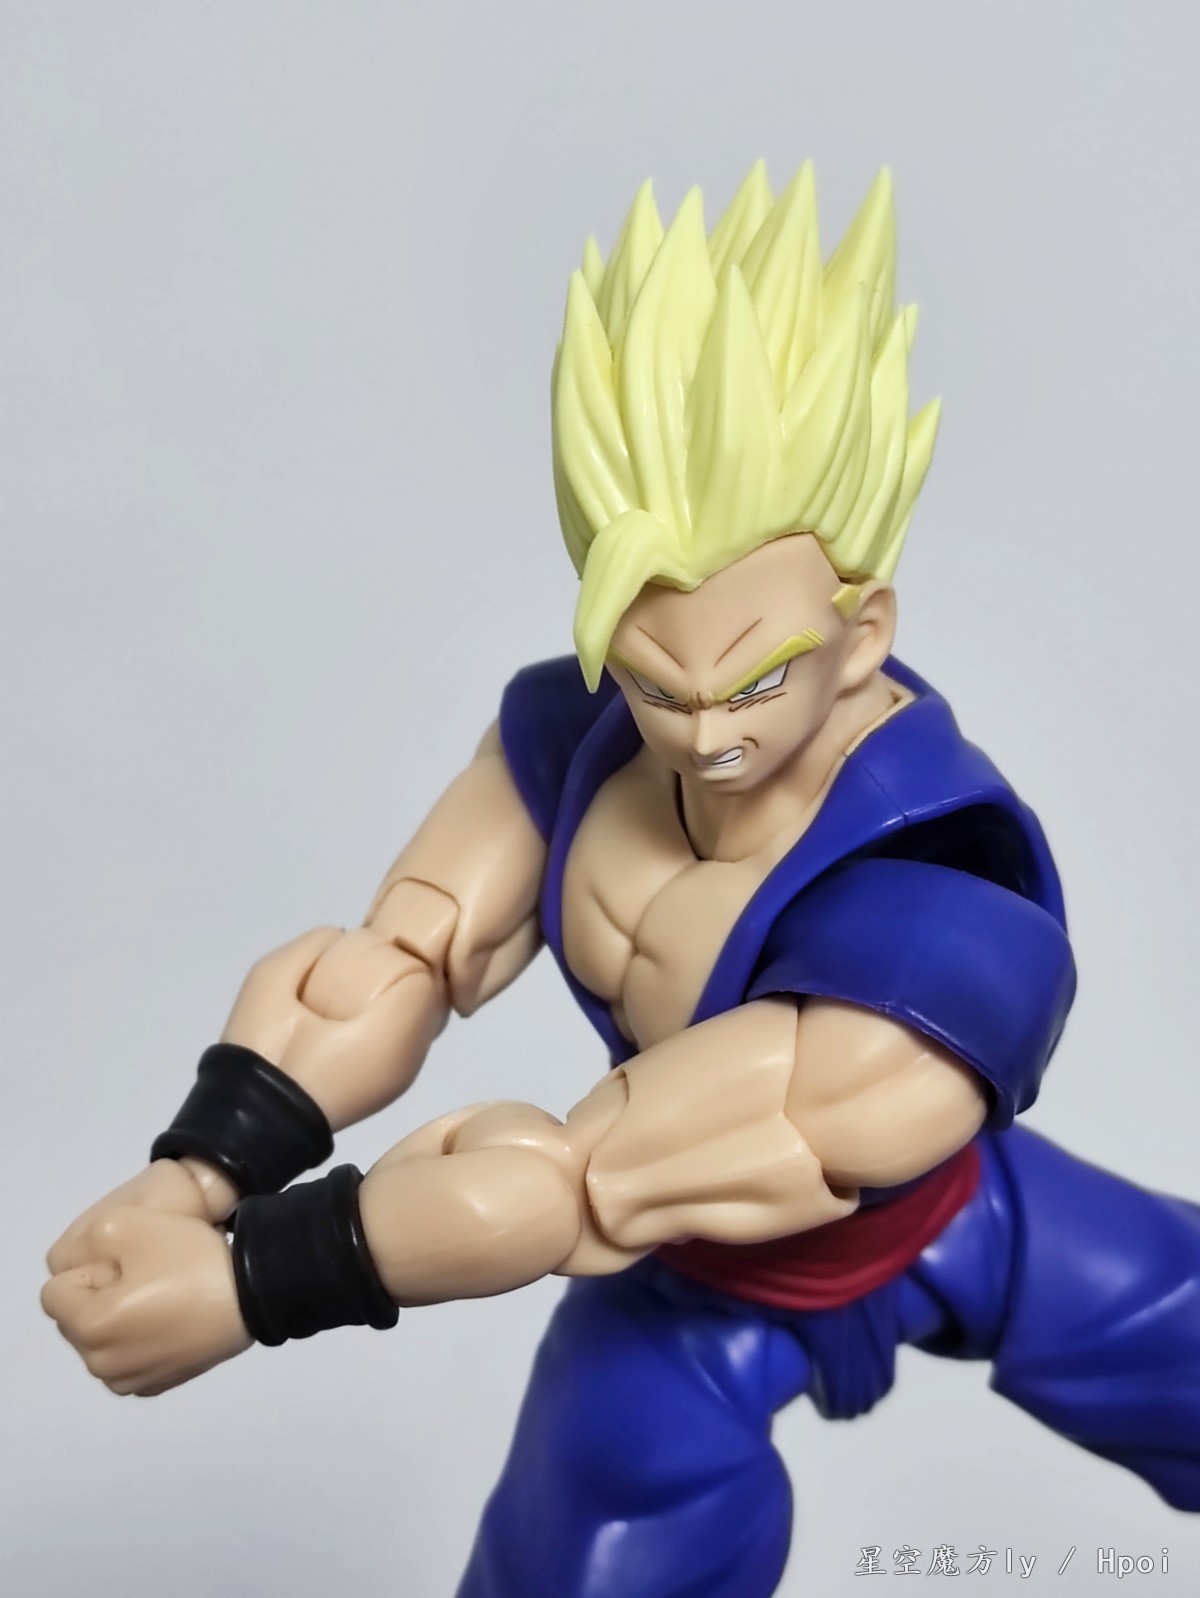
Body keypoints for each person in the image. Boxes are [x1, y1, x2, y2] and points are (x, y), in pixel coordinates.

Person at [42, 163, 1200, 1598]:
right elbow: (385, 965)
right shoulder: (577, 742)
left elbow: (574, 1184)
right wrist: (197, 1169)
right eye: (658, 682)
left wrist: (250, 1280)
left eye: (757, 680)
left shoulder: (948, 895)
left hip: (963, 1219)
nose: (705, 736)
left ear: (864, 633)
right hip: (690, 1297)